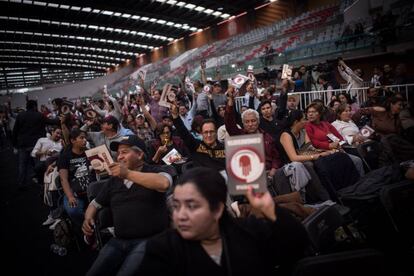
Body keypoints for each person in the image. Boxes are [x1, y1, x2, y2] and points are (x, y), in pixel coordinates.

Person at [138, 167, 308, 275]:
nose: (180, 215)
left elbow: (297, 246)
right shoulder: (162, 249)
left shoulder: (249, 232)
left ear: (218, 209)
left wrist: (269, 208)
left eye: (192, 206)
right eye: (176, 206)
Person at [83, 135, 172, 276]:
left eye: (124, 152)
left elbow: (164, 183)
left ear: (140, 154)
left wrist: (128, 174)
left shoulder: (154, 171)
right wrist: (88, 217)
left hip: (149, 241)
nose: (119, 157)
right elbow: (95, 204)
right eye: (118, 153)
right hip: (118, 241)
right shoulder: (113, 181)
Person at [226, 89, 282, 178]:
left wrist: (274, 169)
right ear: (243, 124)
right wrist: (230, 101)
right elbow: (229, 124)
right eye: (247, 122)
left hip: (268, 173)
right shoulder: (239, 135)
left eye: (253, 121)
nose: (250, 124)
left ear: (258, 121)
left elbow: (276, 157)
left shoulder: (267, 137)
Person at [305, 102, 365, 176]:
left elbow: (339, 137)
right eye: (308, 112)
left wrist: (338, 143)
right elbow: (313, 142)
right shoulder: (308, 126)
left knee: (357, 160)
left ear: (319, 114)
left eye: (313, 112)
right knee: (353, 161)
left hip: (336, 149)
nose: (310, 114)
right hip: (322, 152)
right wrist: (329, 145)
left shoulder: (326, 124)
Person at [12, 100, 59, 189]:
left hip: (23, 145)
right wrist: (60, 118)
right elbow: (51, 122)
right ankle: (42, 182)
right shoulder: (39, 115)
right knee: (38, 165)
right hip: (36, 145)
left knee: (22, 165)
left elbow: (15, 131)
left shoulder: (20, 115)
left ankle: (21, 183)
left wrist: (14, 145)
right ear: (34, 106)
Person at [58, 128, 95, 232]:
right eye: (81, 138)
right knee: (73, 211)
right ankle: (85, 230)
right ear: (73, 140)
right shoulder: (65, 157)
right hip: (75, 193)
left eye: (85, 138)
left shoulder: (89, 153)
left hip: (91, 191)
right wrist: (70, 196)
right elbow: (63, 179)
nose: (85, 140)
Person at [171, 103, 225, 171]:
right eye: (206, 132)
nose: (209, 135)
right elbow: (183, 132)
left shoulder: (224, 148)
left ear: (216, 132)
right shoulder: (196, 146)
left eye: (211, 131)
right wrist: (175, 116)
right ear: (201, 133)